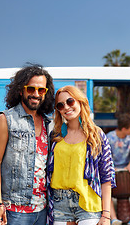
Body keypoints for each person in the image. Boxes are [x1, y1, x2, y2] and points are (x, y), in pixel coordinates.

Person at [0, 64, 55, 225]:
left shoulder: (49, 123)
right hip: (15, 211)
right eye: (31, 89)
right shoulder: (6, 120)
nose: (36, 94)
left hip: (43, 210)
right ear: (21, 90)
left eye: (41, 90)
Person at [47, 85, 116, 225]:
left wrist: (106, 214)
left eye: (70, 101)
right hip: (59, 203)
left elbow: (106, 176)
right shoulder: (55, 136)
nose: (66, 107)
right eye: (60, 105)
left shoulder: (96, 135)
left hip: (88, 202)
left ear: (80, 101)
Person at [106, 113, 130, 225]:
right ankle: (114, 218)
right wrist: (113, 169)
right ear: (123, 129)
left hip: (127, 167)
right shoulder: (109, 137)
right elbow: (106, 157)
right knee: (106, 187)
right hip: (112, 168)